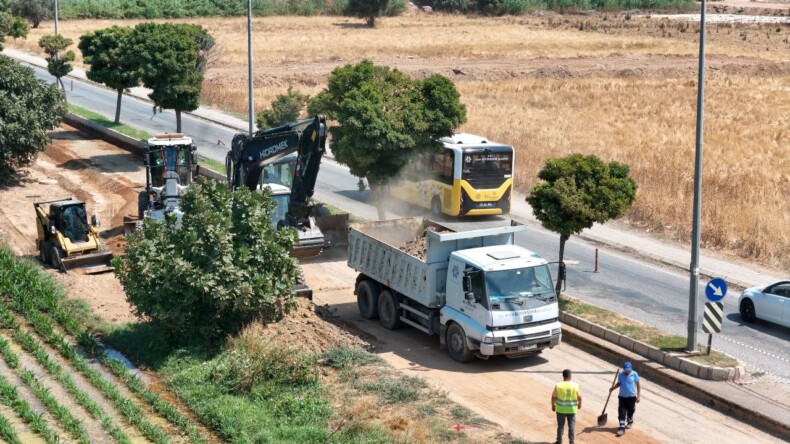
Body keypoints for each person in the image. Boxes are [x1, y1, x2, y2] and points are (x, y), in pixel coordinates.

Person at [609, 361, 641, 436]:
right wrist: (613, 388)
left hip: (631, 397)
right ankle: (621, 428)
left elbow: (638, 384)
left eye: (628, 370)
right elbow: (619, 383)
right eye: (626, 370)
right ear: (624, 369)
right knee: (621, 412)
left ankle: (630, 419)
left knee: (631, 410)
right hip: (622, 397)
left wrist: (638, 396)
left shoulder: (634, 374)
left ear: (631, 369)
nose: (627, 371)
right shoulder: (620, 375)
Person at [552, 369, 582, 444]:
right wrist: (579, 405)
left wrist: (553, 405)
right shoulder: (575, 385)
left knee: (560, 426)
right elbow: (580, 397)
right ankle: (571, 442)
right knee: (571, 426)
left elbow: (553, 397)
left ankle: (559, 441)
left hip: (560, 409)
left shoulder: (558, 385)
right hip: (572, 409)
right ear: (570, 376)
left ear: (563, 376)